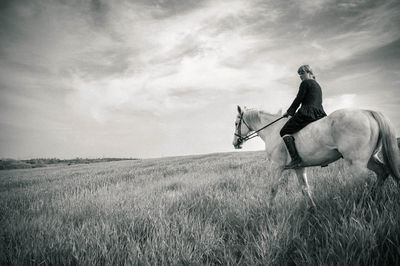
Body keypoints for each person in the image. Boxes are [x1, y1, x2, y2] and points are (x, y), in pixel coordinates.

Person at [280, 65, 327, 169]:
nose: (300, 76)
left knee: (283, 131)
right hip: (320, 113)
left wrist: (289, 112)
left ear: (308, 72)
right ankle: (324, 158)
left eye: (302, 73)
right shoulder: (318, 85)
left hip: (307, 112)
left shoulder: (305, 83)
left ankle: (295, 159)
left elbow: (298, 99)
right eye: (299, 74)